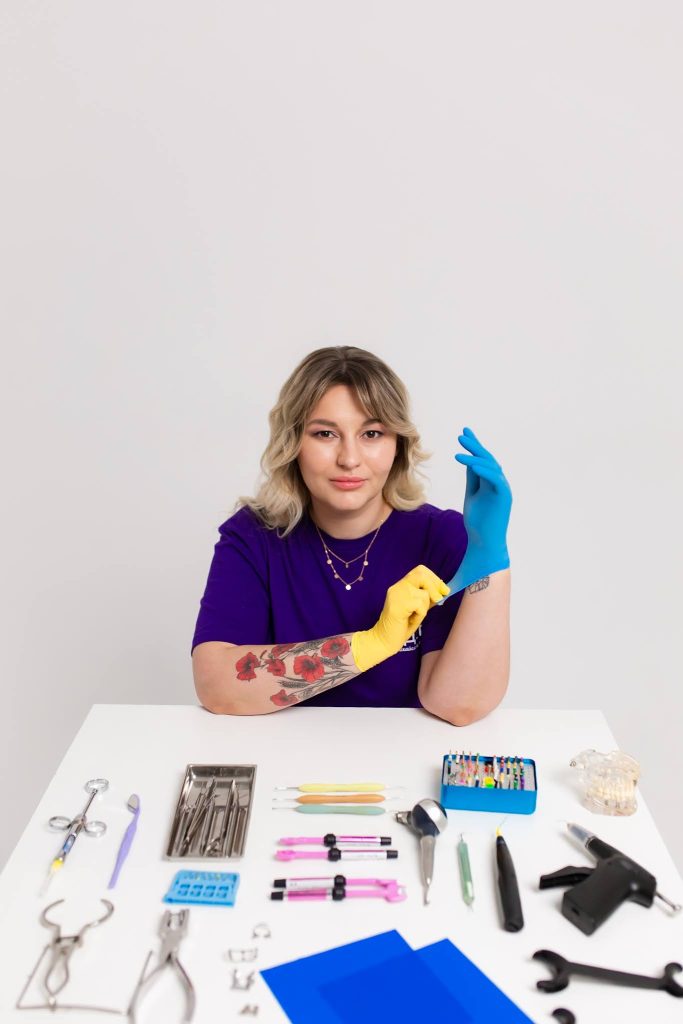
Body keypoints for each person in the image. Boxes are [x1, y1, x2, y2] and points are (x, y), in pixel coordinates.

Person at [191, 346, 511, 724]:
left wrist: (491, 558)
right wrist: (372, 643)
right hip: (283, 753)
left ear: (398, 445)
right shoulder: (253, 537)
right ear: (293, 443)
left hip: (404, 755)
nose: (349, 459)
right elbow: (216, 686)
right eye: (325, 433)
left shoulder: (440, 537)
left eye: (372, 433)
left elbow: (460, 704)